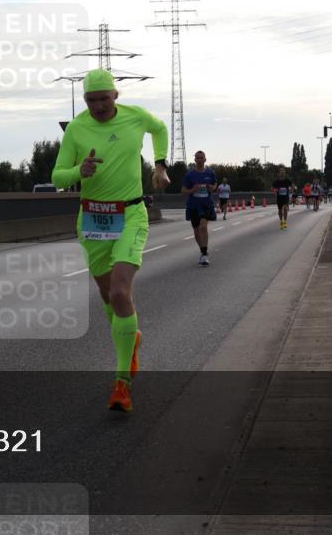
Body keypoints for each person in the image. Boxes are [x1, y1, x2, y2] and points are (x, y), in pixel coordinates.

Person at [51, 69, 169, 413]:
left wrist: (160, 165)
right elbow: (57, 176)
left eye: (103, 98)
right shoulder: (77, 128)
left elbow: (160, 129)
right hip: (92, 219)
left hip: (131, 213)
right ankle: (130, 338)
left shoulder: (136, 117)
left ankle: (122, 382)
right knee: (108, 297)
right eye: (91, 100)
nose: (98, 106)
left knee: (120, 291)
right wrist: (78, 172)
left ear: (115, 96)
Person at [182, 151, 217, 264]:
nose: (200, 160)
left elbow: (214, 185)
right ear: (195, 160)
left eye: (202, 158)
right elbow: (183, 191)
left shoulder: (210, 172)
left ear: (205, 159)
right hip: (193, 205)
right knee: (196, 231)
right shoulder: (189, 175)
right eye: (198, 158)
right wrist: (192, 190)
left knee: (203, 227)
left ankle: (205, 253)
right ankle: (202, 251)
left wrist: (211, 187)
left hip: (206, 204)